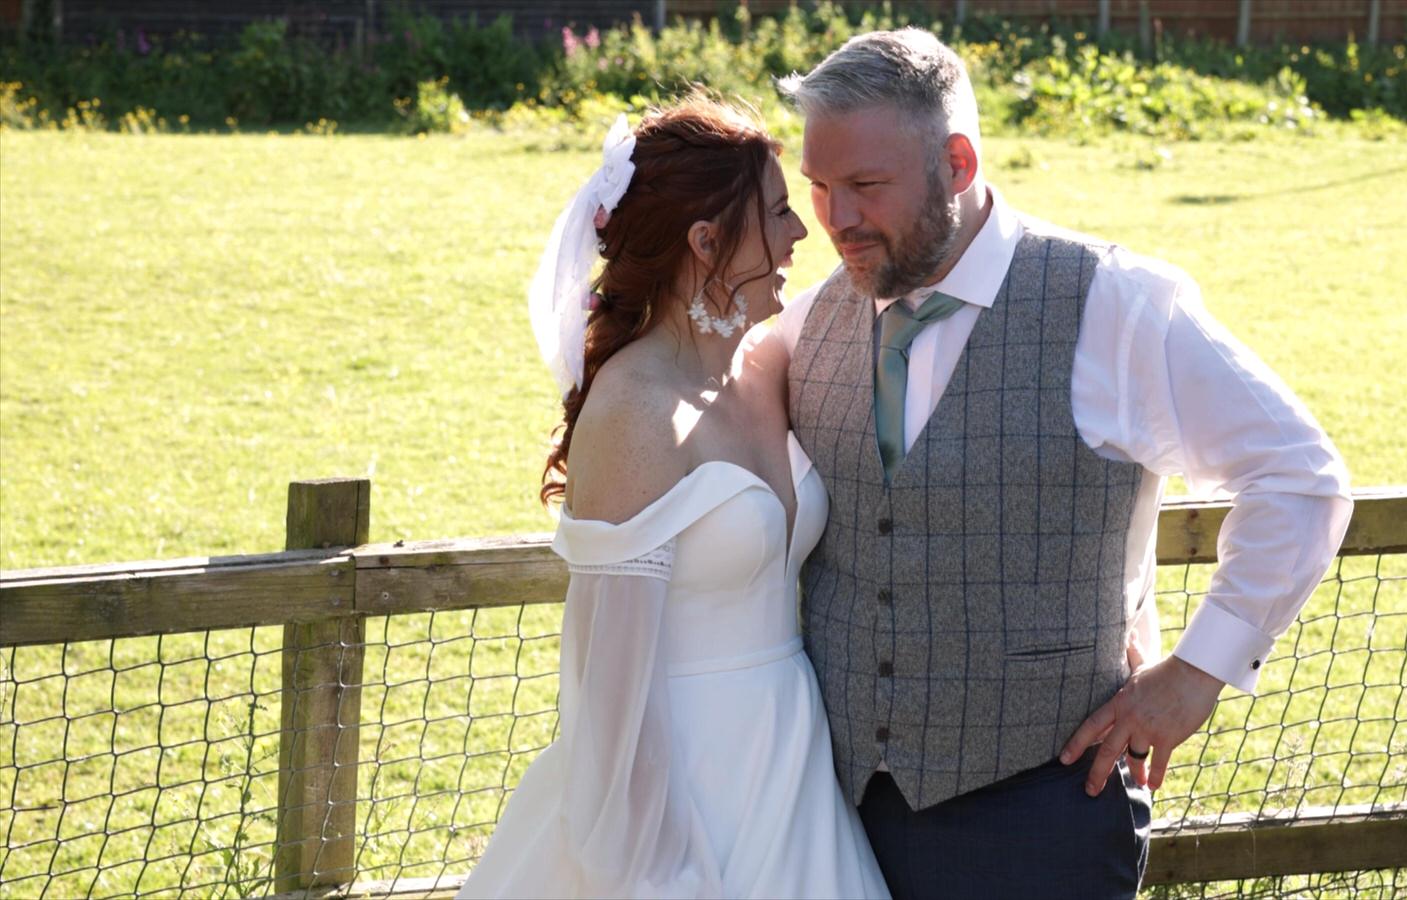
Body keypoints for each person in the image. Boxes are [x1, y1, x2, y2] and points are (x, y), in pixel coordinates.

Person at [776, 28, 1354, 898]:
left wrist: (1198, 673)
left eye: (865, 186)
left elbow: (1301, 478)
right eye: (819, 188)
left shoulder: (1114, 302)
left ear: (958, 163)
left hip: (1041, 813)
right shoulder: (810, 320)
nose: (838, 220)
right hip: (832, 811)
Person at [459, 97, 889, 899]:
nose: (801, 233)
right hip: (678, 786)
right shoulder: (634, 411)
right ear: (705, 241)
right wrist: (657, 871)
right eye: (777, 212)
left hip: (789, 765)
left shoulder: (760, 363)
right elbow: (610, 690)